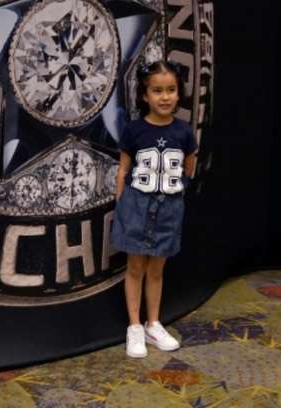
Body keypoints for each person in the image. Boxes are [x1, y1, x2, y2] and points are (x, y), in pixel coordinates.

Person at [111, 60, 198, 358]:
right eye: (157, 90)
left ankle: (153, 323)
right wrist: (123, 204)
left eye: (171, 90)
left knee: (157, 270)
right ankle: (134, 326)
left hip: (169, 206)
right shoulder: (134, 130)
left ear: (179, 93)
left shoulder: (184, 132)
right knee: (135, 267)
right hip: (137, 204)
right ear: (145, 95)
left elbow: (188, 169)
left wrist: (176, 194)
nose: (165, 96)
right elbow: (123, 170)